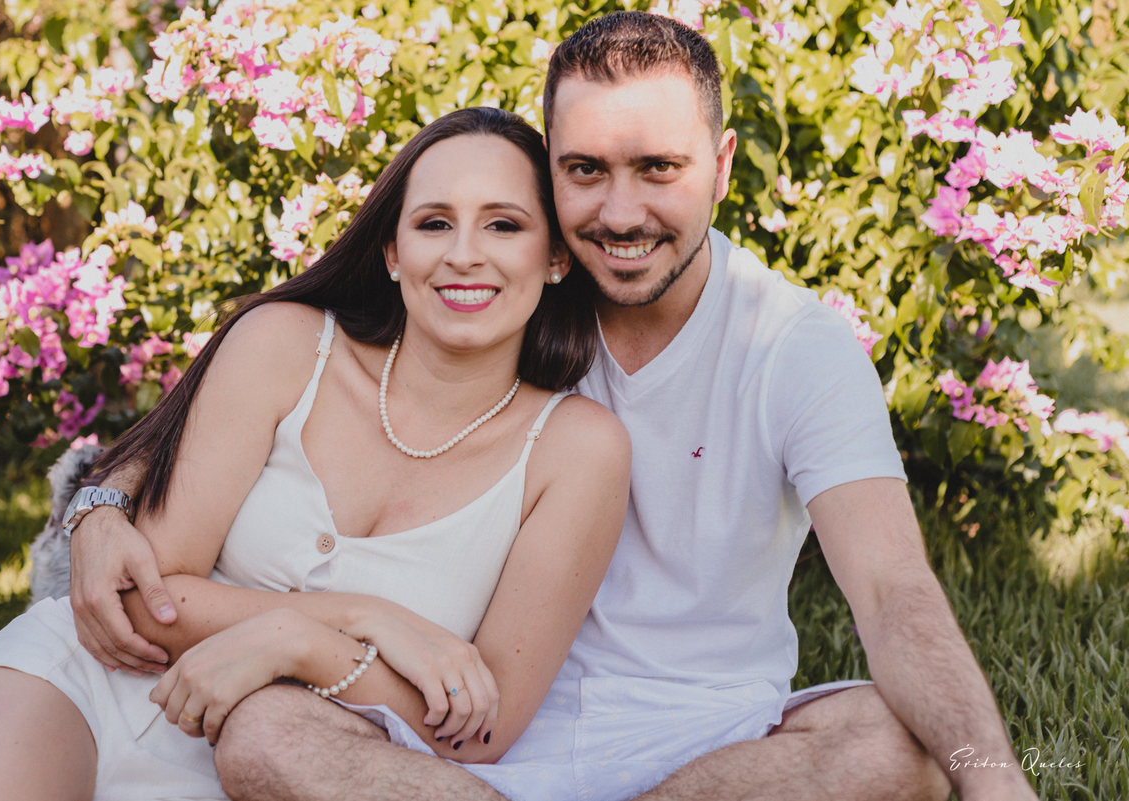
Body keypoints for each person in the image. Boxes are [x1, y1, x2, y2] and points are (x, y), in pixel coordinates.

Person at [55, 13, 1036, 801]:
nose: (621, 212)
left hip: (707, 741)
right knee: (267, 734)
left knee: (893, 750)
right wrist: (105, 499)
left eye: (659, 168)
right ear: (549, 171)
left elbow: (894, 590)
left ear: (724, 165)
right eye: (586, 170)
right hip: (451, 726)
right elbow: (299, 365)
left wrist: (992, 779)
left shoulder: (790, 345)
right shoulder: (501, 294)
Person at [0, 107, 633, 801]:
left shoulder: (575, 451)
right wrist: (364, 616)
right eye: (433, 223)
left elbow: (480, 726)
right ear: (393, 252)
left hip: (300, 759)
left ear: (555, 257)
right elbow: (146, 602)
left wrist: (301, 646)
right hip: (101, 687)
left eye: (503, 225)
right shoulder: (288, 345)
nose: (464, 254)